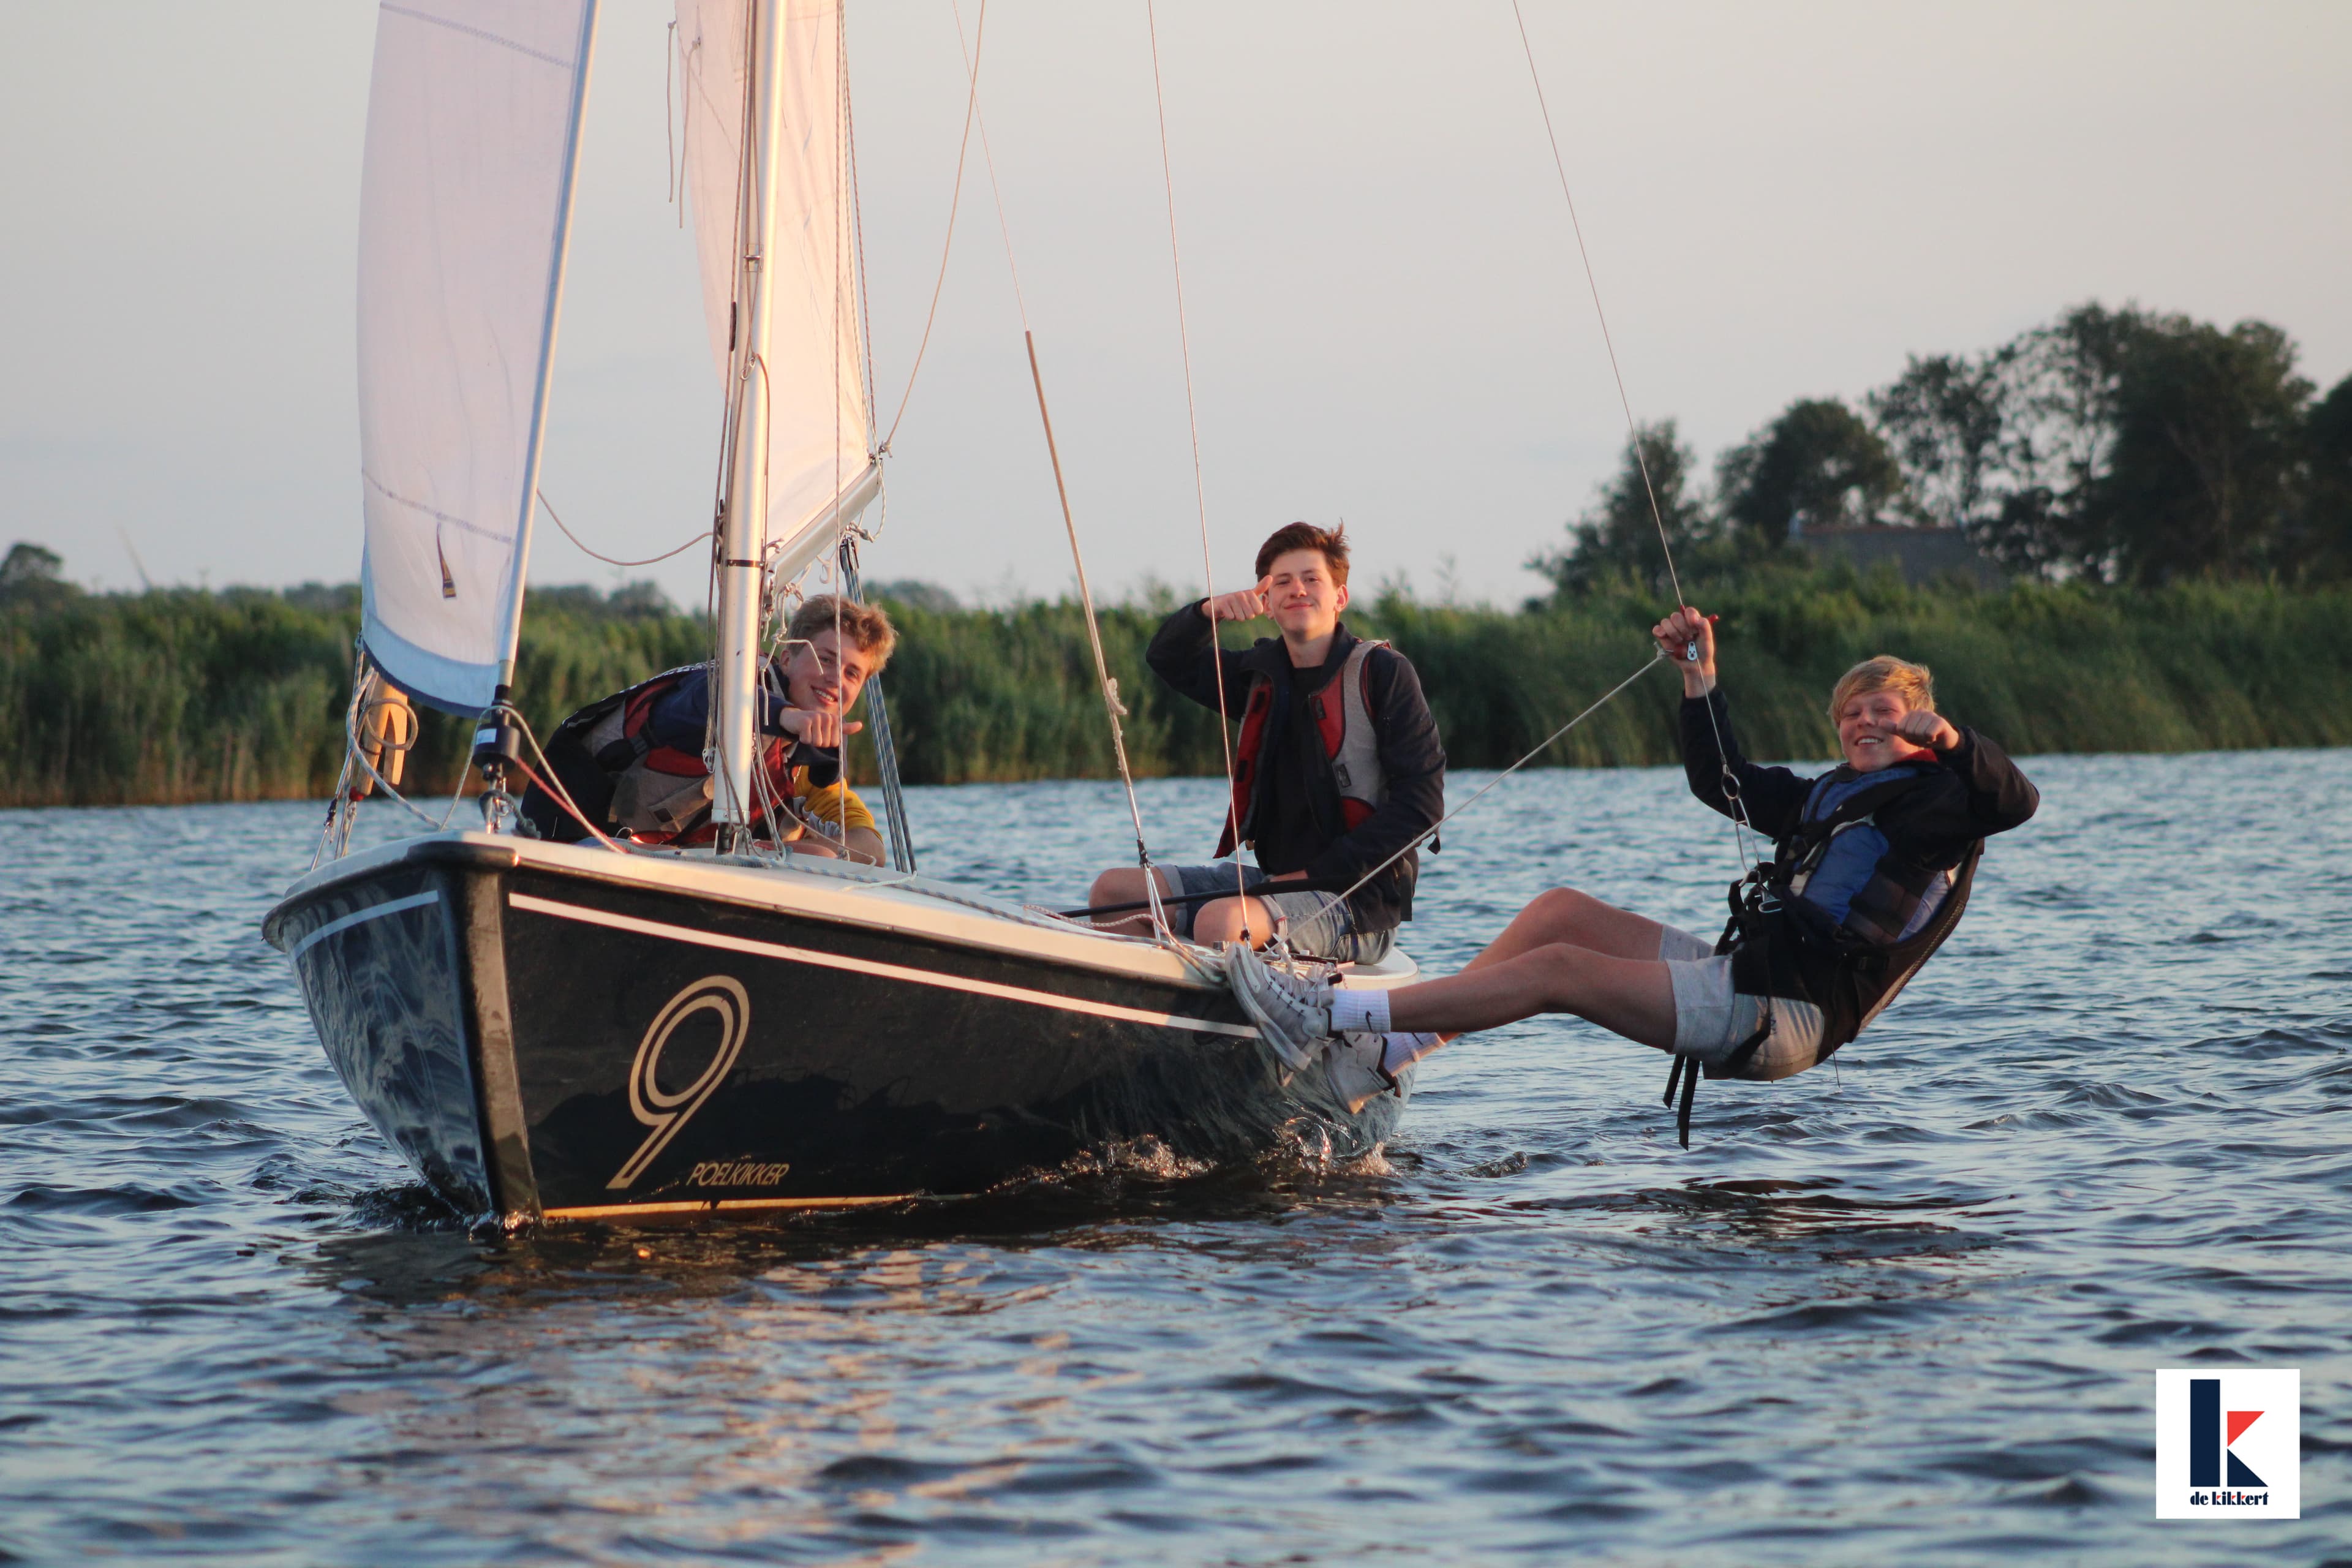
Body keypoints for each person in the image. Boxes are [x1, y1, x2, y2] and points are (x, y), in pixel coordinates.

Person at [1229, 604, 2040, 1131]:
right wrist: (1699, 677)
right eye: (1850, 713)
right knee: (1558, 913)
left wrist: (1954, 743)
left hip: (1787, 1013)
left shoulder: (1944, 804)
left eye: (1883, 712)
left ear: (1918, 720)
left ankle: (1327, 1016)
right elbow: (1721, 779)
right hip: (1746, 976)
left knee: (1559, 971)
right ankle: (1387, 1053)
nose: (1864, 722)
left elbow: (2017, 800)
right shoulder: (1827, 796)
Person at [1085, 522, 1445, 963]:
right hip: (1271, 885)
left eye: (1312, 579)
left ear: (1340, 597)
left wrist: (1312, 875)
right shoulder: (1259, 677)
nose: (1298, 590)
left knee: (1220, 922)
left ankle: (1218, 1000)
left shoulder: (1384, 674)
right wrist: (1210, 612)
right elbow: (1167, 658)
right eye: (1283, 582)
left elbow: (1422, 808)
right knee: (1113, 893)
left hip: (1358, 902)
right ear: (1268, 604)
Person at [519, 594, 895, 862]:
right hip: (571, 845)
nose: (836, 680)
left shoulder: (801, 760)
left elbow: (871, 848)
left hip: (663, 865)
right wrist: (786, 717)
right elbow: (714, 698)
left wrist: (794, 849)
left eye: (852, 673)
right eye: (826, 659)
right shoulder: (720, 686)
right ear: (786, 659)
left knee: (818, 855)